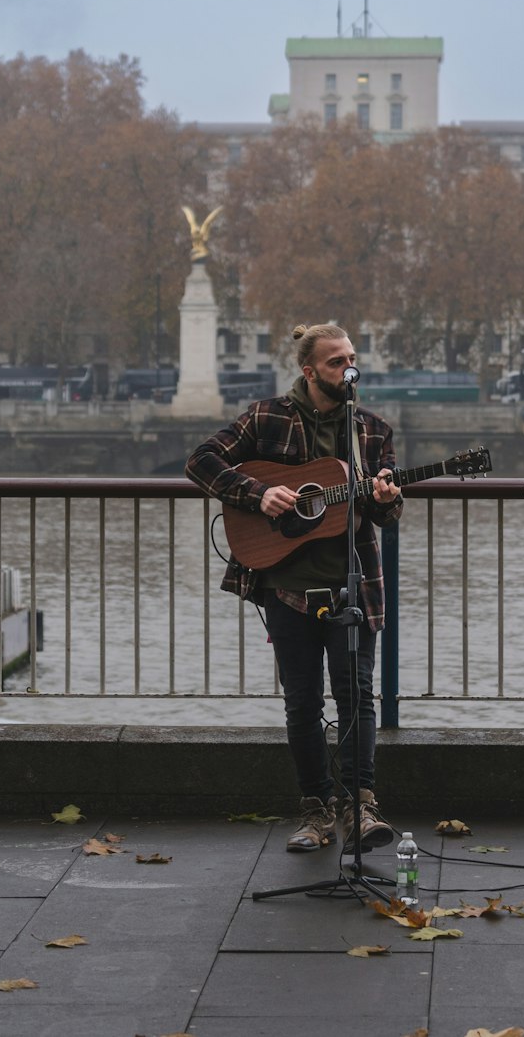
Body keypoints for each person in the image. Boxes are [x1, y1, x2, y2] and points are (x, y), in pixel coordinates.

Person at [185, 322, 403, 853]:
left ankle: (360, 807)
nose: (349, 368)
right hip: (286, 588)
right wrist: (258, 494)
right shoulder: (267, 418)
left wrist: (383, 495)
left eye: (352, 358)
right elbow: (201, 461)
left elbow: (387, 513)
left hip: (354, 585)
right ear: (309, 371)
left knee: (357, 701)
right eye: (336, 361)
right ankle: (316, 810)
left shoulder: (371, 430)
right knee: (302, 703)